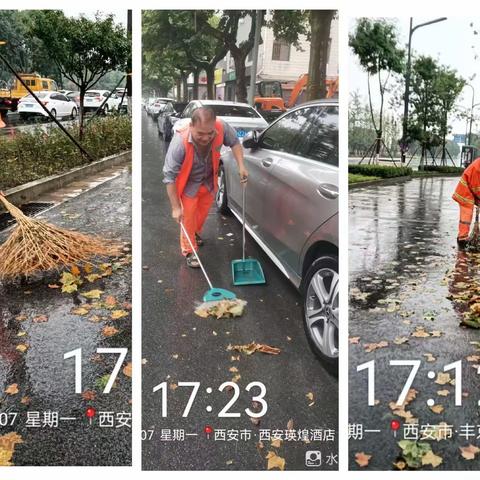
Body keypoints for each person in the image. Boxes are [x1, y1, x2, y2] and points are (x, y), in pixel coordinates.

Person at [163, 107, 248, 267]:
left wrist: (241, 166)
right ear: (192, 126)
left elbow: (235, 143)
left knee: (201, 215)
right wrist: (175, 207)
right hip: (189, 183)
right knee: (187, 216)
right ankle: (189, 251)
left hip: (209, 181)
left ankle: (193, 233)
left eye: (210, 133)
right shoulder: (180, 142)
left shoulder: (221, 127)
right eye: (200, 134)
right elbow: (169, 176)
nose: (206, 138)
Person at [452, 157, 480, 249]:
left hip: (469, 191)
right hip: (465, 193)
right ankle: (462, 240)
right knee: (466, 217)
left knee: (466, 217)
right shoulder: (477, 169)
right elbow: (476, 188)